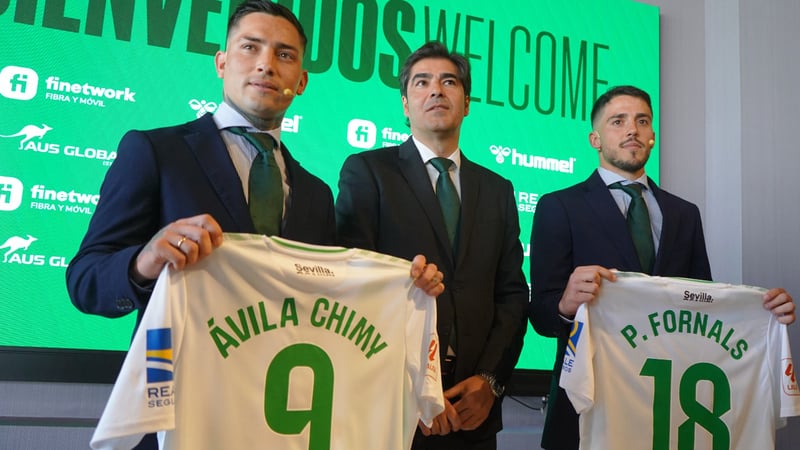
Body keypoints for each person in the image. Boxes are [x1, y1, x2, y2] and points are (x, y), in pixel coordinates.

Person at [66, 2, 442, 449]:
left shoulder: (315, 193)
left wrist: (407, 286)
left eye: (284, 55)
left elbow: (329, 305)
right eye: (250, 47)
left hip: (277, 425)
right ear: (221, 62)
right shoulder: (156, 152)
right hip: (180, 419)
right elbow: (85, 280)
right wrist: (144, 262)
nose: (266, 64)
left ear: (301, 81)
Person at [528, 84, 797, 450]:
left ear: (652, 136)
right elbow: (541, 316)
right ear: (595, 139)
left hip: (671, 409)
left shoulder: (684, 213)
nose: (632, 130)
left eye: (642, 121)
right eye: (618, 121)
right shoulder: (560, 206)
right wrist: (565, 304)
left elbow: (703, 308)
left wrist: (762, 312)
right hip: (590, 406)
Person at [335, 41, 529, 450]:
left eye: (449, 82)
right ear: (406, 105)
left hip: (474, 411)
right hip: (394, 407)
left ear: (467, 103)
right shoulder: (369, 171)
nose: (436, 90)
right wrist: (416, 388)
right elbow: (352, 285)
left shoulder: (497, 189)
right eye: (422, 83)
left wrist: (490, 382)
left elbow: (511, 295)